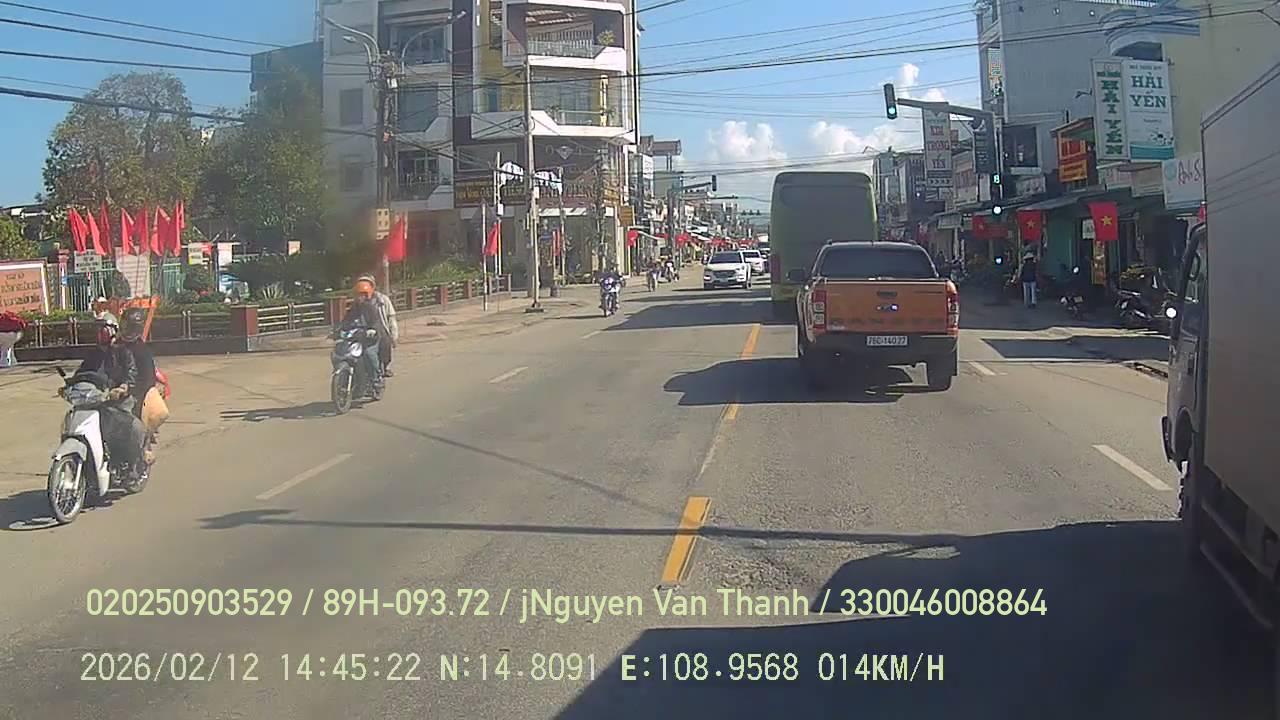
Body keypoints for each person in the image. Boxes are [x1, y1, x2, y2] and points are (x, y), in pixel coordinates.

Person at [76, 320, 146, 473]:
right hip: (97, 398)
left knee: (130, 426)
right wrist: (71, 385)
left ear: (113, 330)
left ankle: (130, 463)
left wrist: (123, 387)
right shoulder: (94, 354)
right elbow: (82, 373)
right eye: (97, 329)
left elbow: (131, 372)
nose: (99, 333)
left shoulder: (123, 352)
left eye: (103, 329)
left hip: (118, 400)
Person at [340, 279, 388, 387]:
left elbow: (376, 322)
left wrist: (372, 330)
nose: (360, 297)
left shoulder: (371, 308)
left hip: (371, 339)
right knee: (342, 351)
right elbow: (346, 321)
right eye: (358, 295)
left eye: (363, 295)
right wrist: (338, 330)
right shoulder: (353, 308)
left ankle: (376, 379)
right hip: (357, 338)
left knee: (368, 354)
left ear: (368, 295)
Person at [354, 274, 399, 377]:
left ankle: (384, 369)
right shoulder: (357, 302)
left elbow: (391, 318)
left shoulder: (382, 300)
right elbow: (349, 318)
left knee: (384, 349)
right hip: (363, 331)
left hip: (380, 329)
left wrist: (394, 336)